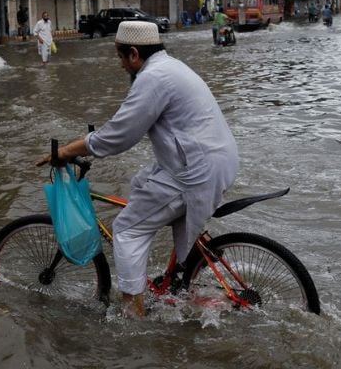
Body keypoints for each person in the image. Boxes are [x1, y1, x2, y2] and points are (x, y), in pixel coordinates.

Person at [35, 21, 239, 317]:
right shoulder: (170, 67)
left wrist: (66, 151)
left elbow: (119, 135)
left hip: (195, 170)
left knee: (127, 229)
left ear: (133, 53)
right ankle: (176, 281)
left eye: (120, 58)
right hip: (211, 159)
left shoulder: (153, 78)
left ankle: (133, 311)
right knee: (142, 181)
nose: (121, 66)